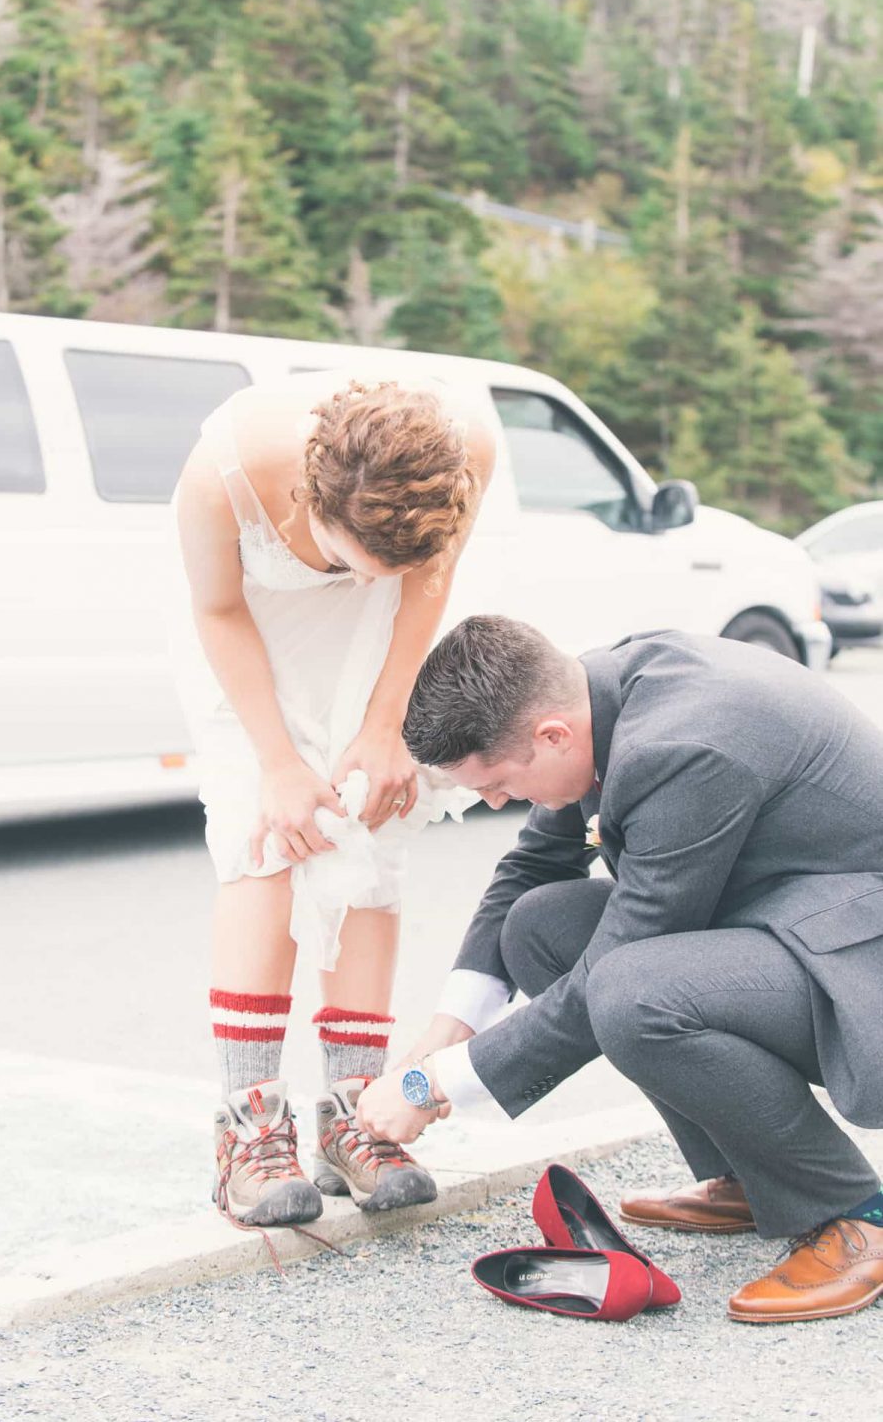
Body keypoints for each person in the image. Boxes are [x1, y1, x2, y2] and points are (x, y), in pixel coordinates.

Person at [357, 615, 883, 1323]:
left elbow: (617, 965)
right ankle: (753, 1174)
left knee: (633, 993)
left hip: (855, 956)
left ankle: (856, 1212)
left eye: (498, 783)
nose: (496, 802)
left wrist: (430, 1086)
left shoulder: (683, 746)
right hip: (783, 921)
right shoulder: (589, 702)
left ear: (551, 736)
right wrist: (449, 1028)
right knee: (540, 929)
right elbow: (529, 870)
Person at [170, 373, 495, 1230]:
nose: (360, 579)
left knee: (370, 835)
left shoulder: (467, 452)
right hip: (253, 632)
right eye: (352, 561)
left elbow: (424, 582)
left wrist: (386, 723)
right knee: (265, 837)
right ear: (313, 501)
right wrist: (277, 760)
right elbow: (216, 607)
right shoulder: (224, 470)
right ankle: (250, 1127)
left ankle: (354, 1109)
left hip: (380, 640)